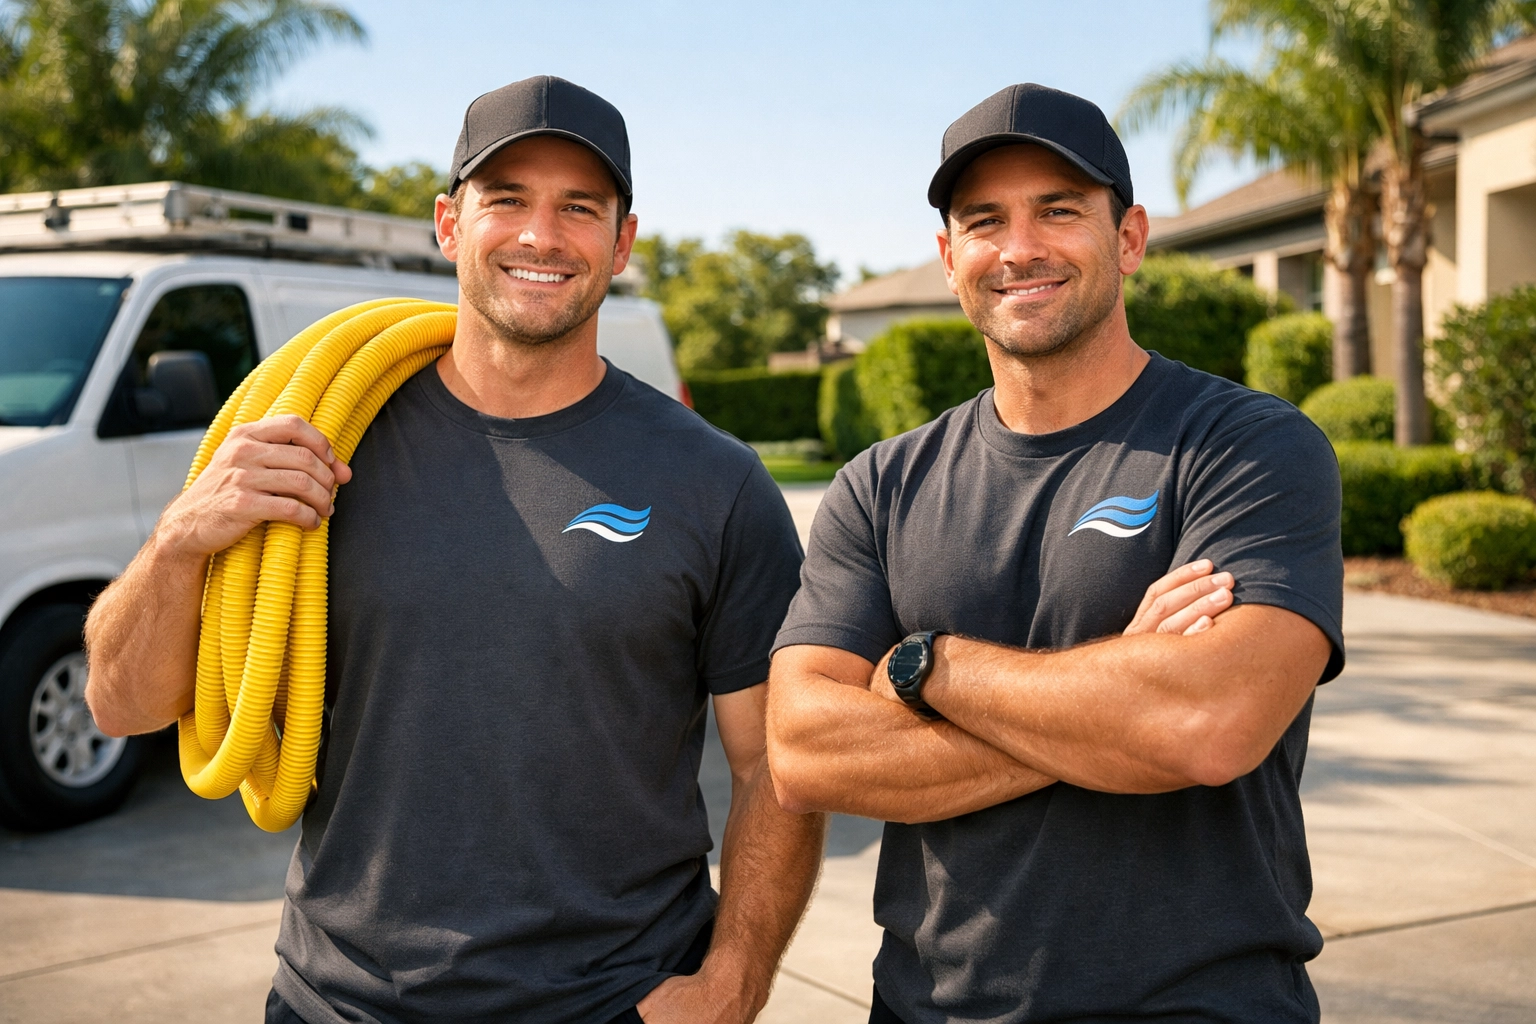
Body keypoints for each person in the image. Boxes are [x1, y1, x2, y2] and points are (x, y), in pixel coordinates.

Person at [84, 76, 825, 1024]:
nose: (540, 235)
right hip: (340, 1001)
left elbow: (777, 766)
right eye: (506, 199)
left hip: (612, 1000)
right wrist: (180, 539)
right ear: (448, 223)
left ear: (623, 242)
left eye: (579, 207)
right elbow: (122, 704)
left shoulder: (716, 482)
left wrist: (732, 985)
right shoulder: (321, 444)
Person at [766, 83, 1344, 1024]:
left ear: (1130, 237)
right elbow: (802, 751)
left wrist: (924, 667)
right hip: (924, 1007)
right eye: (984, 221)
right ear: (950, 258)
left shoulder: (1246, 447)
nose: (1020, 248)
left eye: (1060, 210)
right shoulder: (881, 484)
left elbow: (1209, 723)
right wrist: (1122, 699)